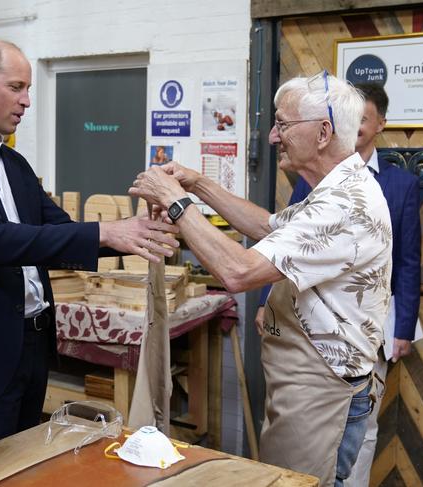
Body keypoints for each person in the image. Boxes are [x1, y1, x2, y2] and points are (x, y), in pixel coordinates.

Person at [0, 40, 179, 455]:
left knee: (26, 467)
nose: (26, 101)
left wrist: (135, 231)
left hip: (31, 344)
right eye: (16, 87)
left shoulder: (13, 164)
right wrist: (108, 233)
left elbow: (61, 231)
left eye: (28, 89)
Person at [130, 72, 391, 487]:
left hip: (321, 394)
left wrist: (176, 203)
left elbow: (239, 271)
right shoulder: (335, 188)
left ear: (323, 132)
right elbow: (268, 227)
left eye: (283, 125)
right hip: (308, 385)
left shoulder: (345, 204)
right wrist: (198, 184)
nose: (273, 136)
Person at [255, 83, 420, 487]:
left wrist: (402, 328)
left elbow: (409, 262)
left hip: (353, 341)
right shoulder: (318, 182)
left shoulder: (390, 187)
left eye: (284, 125)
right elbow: (282, 240)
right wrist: (265, 300)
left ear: (379, 124)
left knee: (354, 441)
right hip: (310, 346)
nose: (275, 135)